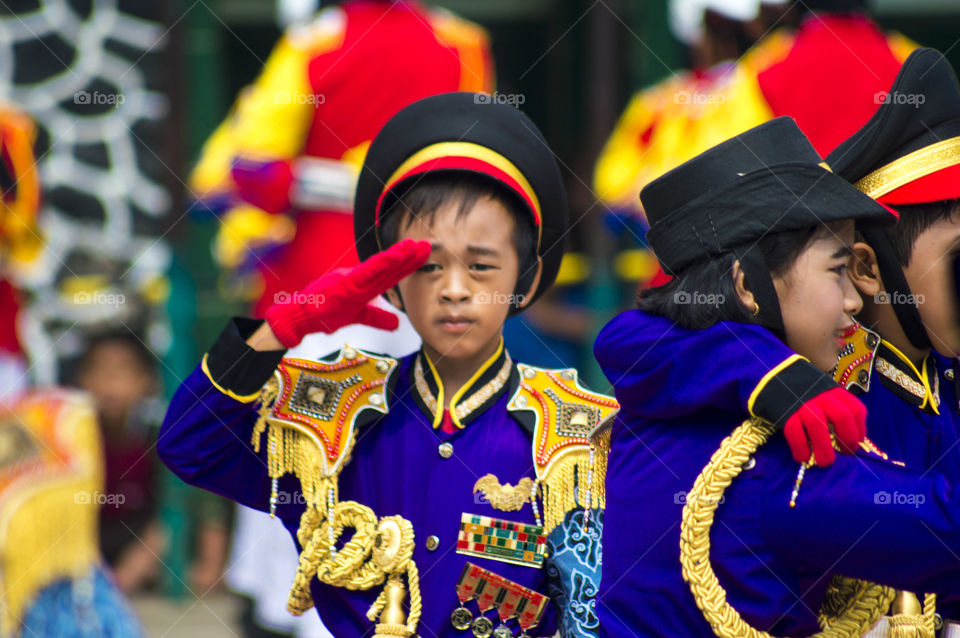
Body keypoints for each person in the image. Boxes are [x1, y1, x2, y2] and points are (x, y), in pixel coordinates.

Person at [160, 93, 617, 638]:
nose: (453, 290)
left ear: (528, 279)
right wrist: (281, 329)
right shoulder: (329, 413)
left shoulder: (578, 436)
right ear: (391, 281)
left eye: (480, 266)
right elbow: (190, 445)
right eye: (426, 267)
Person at [594, 117, 960, 637]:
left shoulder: (669, 401)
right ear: (747, 286)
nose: (856, 301)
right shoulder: (780, 465)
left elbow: (636, 338)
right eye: (837, 270)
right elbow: (946, 530)